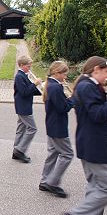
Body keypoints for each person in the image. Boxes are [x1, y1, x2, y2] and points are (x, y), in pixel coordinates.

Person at [64, 56, 107, 215]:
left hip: (90, 143)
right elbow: (98, 114)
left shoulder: (88, 85)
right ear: (96, 70)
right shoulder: (87, 87)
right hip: (95, 145)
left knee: (96, 185)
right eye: (106, 72)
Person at [39, 61, 74, 198]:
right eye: (64, 73)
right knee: (67, 154)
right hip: (58, 126)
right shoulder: (55, 87)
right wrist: (73, 99)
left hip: (52, 125)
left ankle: (44, 181)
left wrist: (68, 99)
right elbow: (63, 108)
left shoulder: (51, 84)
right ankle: (52, 183)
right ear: (56, 73)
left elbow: (60, 104)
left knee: (53, 153)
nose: (65, 76)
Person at [12, 55, 42, 163]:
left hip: (23, 106)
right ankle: (20, 150)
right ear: (21, 65)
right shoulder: (19, 76)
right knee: (33, 129)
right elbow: (24, 92)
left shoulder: (24, 75)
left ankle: (16, 150)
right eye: (28, 66)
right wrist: (35, 84)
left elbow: (31, 90)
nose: (29, 68)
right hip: (23, 107)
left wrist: (41, 88)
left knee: (21, 129)